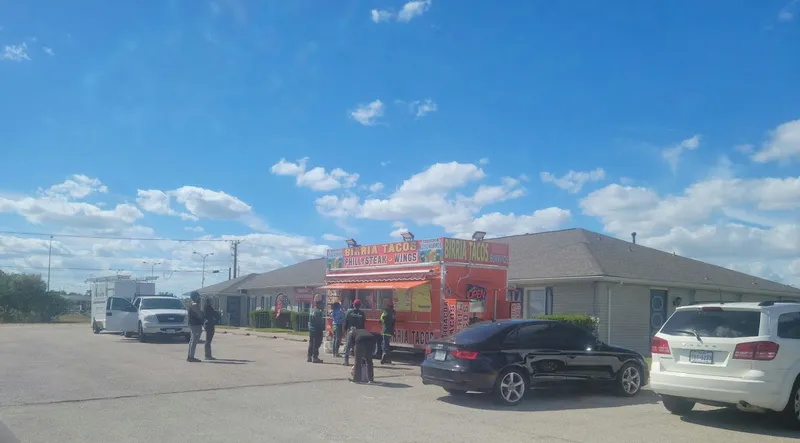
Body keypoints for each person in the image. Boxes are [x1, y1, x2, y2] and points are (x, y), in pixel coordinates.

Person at [342, 299, 366, 366]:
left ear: (353, 305)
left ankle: (346, 361)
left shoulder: (349, 312)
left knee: (348, 346)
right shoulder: (362, 313)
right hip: (358, 332)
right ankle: (358, 362)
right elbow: (363, 324)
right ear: (360, 306)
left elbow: (345, 322)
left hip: (350, 331)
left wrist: (344, 330)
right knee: (357, 347)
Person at [186, 291, 204, 363]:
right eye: (198, 296)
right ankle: (191, 357)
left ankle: (190, 356)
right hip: (195, 325)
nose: (199, 297)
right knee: (194, 341)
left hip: (192, 324)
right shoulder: (195, 305)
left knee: (192, 341)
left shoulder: (192, 304)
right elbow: (200, 315)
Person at [307, 296, 325, 363]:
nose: (322, 306)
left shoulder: (311, 310)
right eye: (321, 305)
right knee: (316, 344)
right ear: (318, 304)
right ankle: (315, 357)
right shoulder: (318, 312)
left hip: (311, 329)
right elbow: (320, 323)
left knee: (311, 343)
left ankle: (309, 356)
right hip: (317, 330)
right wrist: (322, 329)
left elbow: (309, 320)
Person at [379, 300, 396, 364]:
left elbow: (383, 318)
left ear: (388, 306)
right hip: (390, 331)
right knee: (387, 344)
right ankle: (388, 359)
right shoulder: (394, 313)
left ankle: (385, 354)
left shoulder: (386, 311)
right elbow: (393, 322)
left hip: (385, 330)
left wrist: (381, 321)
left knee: (384, 344)